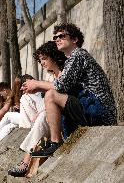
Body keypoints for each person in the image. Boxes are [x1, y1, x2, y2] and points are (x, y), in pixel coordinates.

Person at [24, 23, 117, 158]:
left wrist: (37, 83)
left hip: (99, 111)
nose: (57, 39)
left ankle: (55, 143)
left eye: (62, 36)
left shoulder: (78, 55)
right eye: (55, 37)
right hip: (91, 107)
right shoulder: (71, 60)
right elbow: (65, 87)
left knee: (51, 95)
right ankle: (53, 142)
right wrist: (37, 87)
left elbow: (60, 86)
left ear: (74, 40)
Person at [8, 41, 67, 177]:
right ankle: (27, 159)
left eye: (44, 59)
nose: (42, 63)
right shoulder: (49, 75)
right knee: (29, 102)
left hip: (64, 111)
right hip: (53, 111)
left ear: (54, 56)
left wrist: (38, 85)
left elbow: (62, 90)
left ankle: (25, 162)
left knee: (41, 116)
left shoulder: (65, 71)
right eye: (40, 60)